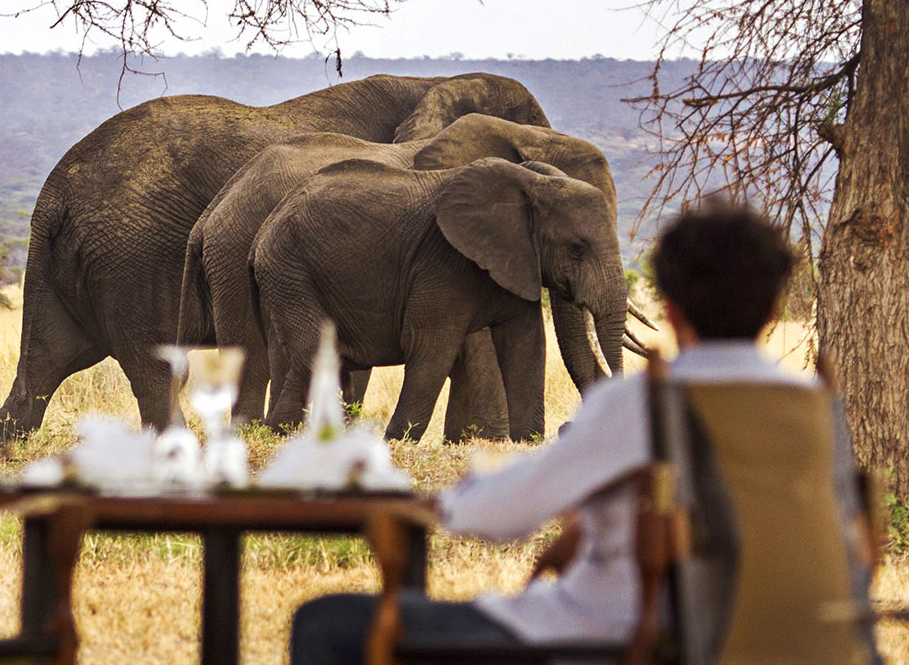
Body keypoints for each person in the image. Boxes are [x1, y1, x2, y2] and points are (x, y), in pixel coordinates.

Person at [289, 201, 876, 663]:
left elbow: (496, 519)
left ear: (670, 308)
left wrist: (470, 488)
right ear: (775, 308)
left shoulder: (645, 403)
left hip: (610, 640)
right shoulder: (817, 410)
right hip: (812, 650)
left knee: (325, 622)